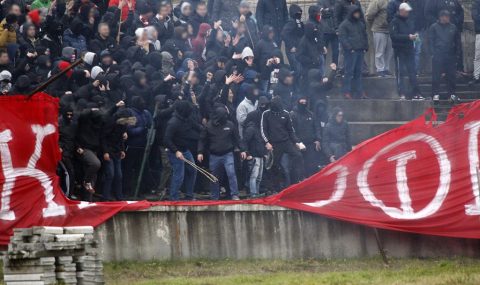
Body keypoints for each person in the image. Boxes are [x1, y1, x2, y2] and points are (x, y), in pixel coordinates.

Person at [198, 107, 245, 200]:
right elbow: (202, 140)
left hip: (227, 154)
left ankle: (234, 194)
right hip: (214, 155)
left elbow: (237, 139)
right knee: (214, 176)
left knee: (231, 173)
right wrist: (200, 152)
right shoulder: (208, 126)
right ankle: (215, 196)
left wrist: (243, 150)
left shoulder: (230, 125)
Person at [261, 96, 305, 190]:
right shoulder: (266, 114)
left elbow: (291, 131)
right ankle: (275, 188)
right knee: (274, 166)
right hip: (274, 144)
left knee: (298, 156)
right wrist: (267, 142)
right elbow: (263, 129)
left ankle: (298, 179)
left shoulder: (286, 114)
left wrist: (297, 142)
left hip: (286, 142)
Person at [164, 101, 201, 201]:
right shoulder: (173, 122)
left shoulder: (187, 118)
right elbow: (167, 139)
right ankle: (174, 197)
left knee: (193, 170)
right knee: (179, 175)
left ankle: (189, 195)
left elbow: (198, 127)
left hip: (185, 149)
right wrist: (176, 151)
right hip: (174, 151)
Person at [389, 3, 422, 100]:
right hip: (399, 51)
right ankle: (401, 93)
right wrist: (408, 37)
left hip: (409, 49)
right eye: (406, 11)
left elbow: (413, 32)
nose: (408, 13)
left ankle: (416, 93)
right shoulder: (394, 22)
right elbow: (394, 36)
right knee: (401, 72)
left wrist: (415, 36)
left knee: (412, 72)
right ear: (401, 11)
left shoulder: (409, 21)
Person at [428, 10, 461, 102]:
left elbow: (457, 42)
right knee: (436, 76)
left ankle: (452, 94)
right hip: (438, 54)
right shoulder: (434, 27)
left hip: (450, 55)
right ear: (440, 17)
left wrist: (457, 53)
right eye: (444, 16)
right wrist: (433, 53)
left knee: (451, 76)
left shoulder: (453, 27)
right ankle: (435, 94)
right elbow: (430, 41)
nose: (446, 18)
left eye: (447, 16)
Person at [424, 0, 464, 73]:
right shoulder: (432, 1)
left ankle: (458, 69)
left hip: (452, 30)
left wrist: (457, 21)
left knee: (456, 47)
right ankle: (441, 71)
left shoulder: (454, 1)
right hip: (438, 31)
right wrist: (438, 23)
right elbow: (427, 14)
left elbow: (460, 12)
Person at [338, 6, 368, 99]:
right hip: (351, 52)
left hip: (360, 50)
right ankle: (347, 92)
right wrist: (350, 48)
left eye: (358, 13)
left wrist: (365, 46)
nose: (358, 14)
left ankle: (359, 92)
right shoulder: (344, 25)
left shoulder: (360, 24)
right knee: (349, 72)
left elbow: (364, 35)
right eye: (356, 13)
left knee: (358, 73)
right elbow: (343, 38)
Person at [290, 96, 322, 176]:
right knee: (298, 166)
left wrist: (318, 139)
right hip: (298, 144)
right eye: (302, 103)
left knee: (311, 166)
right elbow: (291, 131)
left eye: (305, 103)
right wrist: (297, 142)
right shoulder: (293, 115)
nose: (303, 104)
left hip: (310, 144)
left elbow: (317, 128)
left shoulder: (311, 115)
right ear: (298, 103)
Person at [366, 0, 393, 77]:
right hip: (379, 29)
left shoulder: (392, 2)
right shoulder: (377, 1)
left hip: (390, 29)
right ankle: (380, 69)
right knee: (379, 51)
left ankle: (386, 68)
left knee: (389, 51)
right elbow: (369, 14)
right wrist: (377, 23)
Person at [281, 4, 304, 75]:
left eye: (300, 13)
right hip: (292, 50)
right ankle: (295, 85)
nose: (299, 14)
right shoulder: (291, 22)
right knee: (297, 70)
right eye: (298, 13)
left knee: (300, 70)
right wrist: (291, 46)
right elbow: (284, 34)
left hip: (298, 49)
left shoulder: (298, 22)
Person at [471, 0, 480, 85]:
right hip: (479, 33)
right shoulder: (476, 3)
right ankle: (476, 77)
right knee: (477, 57)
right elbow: (475, 16)